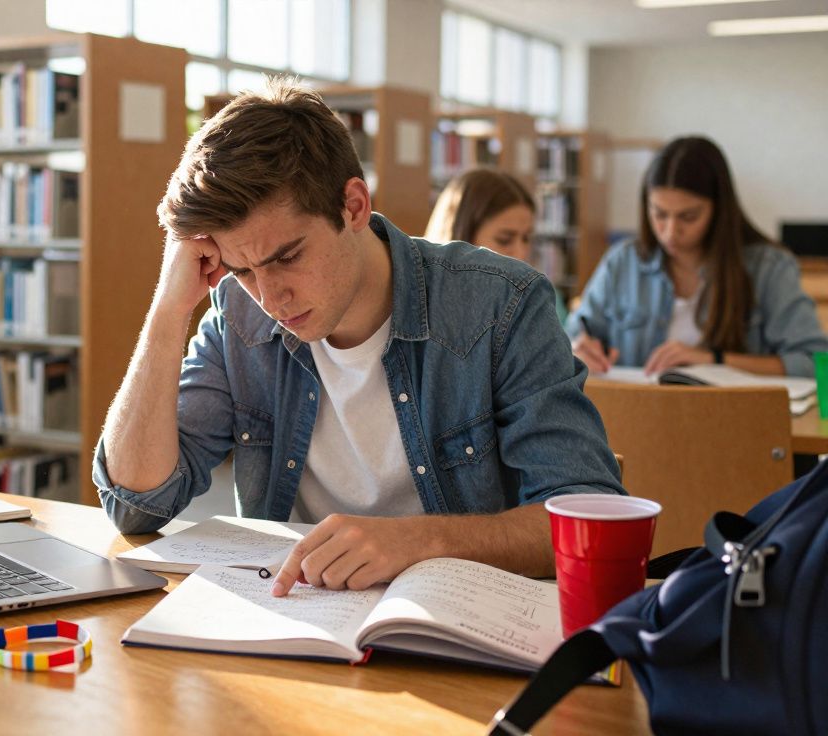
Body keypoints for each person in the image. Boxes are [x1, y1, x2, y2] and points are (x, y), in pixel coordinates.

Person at [94, 78, 624, 598]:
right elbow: (136, 505)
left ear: (353, 206)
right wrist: (169, 309)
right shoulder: (237, 313)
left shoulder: (501, 304)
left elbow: (586, 517)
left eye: (287, 257)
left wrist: (420, 541)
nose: (271, 299)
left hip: (455, 626)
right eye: (242, 269)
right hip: (293, 621)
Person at [567, 135, 828, 377]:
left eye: (688, 217)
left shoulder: (770, 268)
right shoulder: (622, 262)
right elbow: (570, 337)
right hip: (635, 418)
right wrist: (577, 349)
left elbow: (814, 362)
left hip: (736, 423)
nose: (670, 232)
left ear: (719, 210)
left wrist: (713, 360)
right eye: (659, 213)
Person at [425, 167, 568, 323]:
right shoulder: (424, 304)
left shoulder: (540, 296)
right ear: (462, 238)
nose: (521, 254)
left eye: (526, 238)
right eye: (504, 240)